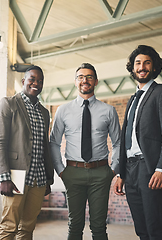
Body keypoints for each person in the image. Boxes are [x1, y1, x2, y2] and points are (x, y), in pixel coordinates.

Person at [113, 45, 162, 240]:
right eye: (138, 63)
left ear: (154, 67)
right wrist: (121, 173)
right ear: (133, 68)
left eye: (147, 63)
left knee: (154, 228)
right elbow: (127, 139)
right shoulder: (133, 99)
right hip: (131, 170)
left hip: (150, 169)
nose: (142, 67)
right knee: (141, 229)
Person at [50, 63, 121, 240]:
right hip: (72, 172)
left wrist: (114, 170)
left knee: (99, 227)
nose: (85, 80)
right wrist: (61, 170)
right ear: (75, 82)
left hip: (101, 173)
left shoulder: (108, 111)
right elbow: (54, 143)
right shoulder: (63, 110)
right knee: (75, 225)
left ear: (96, 81)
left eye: (89, 77)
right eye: (81, 77)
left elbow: (118, 142)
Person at [0, 65, 54, 240]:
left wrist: (48, 179)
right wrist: (3, 177)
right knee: (9, 226)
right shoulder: (8, 104)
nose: (36, 83)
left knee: (28, 227)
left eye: (40, 81)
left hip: (39, 178)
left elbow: (45, 146)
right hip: (16, 177)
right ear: (23, 81)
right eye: (32, 79)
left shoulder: (44, 112)